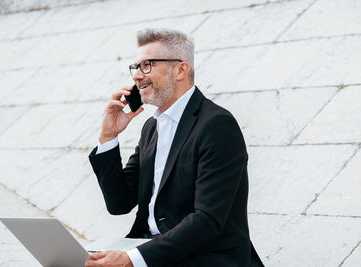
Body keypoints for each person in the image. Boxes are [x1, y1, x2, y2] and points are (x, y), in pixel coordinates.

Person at [86, 28, 264, 267]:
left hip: (204, 257)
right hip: (151, 250)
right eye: (135, 67)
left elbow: (207, 220)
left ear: (180, 69)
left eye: (147, 65)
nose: (137, 76)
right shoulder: (151, 128)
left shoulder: (216, 125)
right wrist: (108, 137)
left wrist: (132, 259)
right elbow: (119, 203)